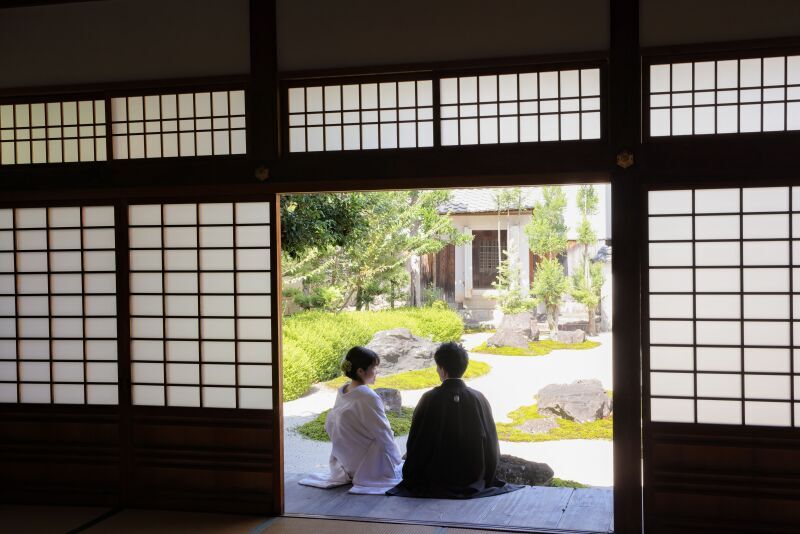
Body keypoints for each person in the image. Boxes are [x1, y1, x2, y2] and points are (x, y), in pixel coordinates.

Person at [387, 342, 520, 499]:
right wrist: (487, 476)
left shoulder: (429, 398)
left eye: (437, 367)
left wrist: (411, 474)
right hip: (474, 477)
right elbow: (491, 443)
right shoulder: (478, 398)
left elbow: (417, 442)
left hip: (434, 478)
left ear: (442, 369)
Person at [299, 346, 403, 494]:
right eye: (374, 368)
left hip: (347, 459)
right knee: (397, 461)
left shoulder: (344, 390)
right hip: (367, 464)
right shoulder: (368, 396)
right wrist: (396, 459)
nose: (376, 372)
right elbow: (383, 432)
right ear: (360, 371)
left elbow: (333, 425)